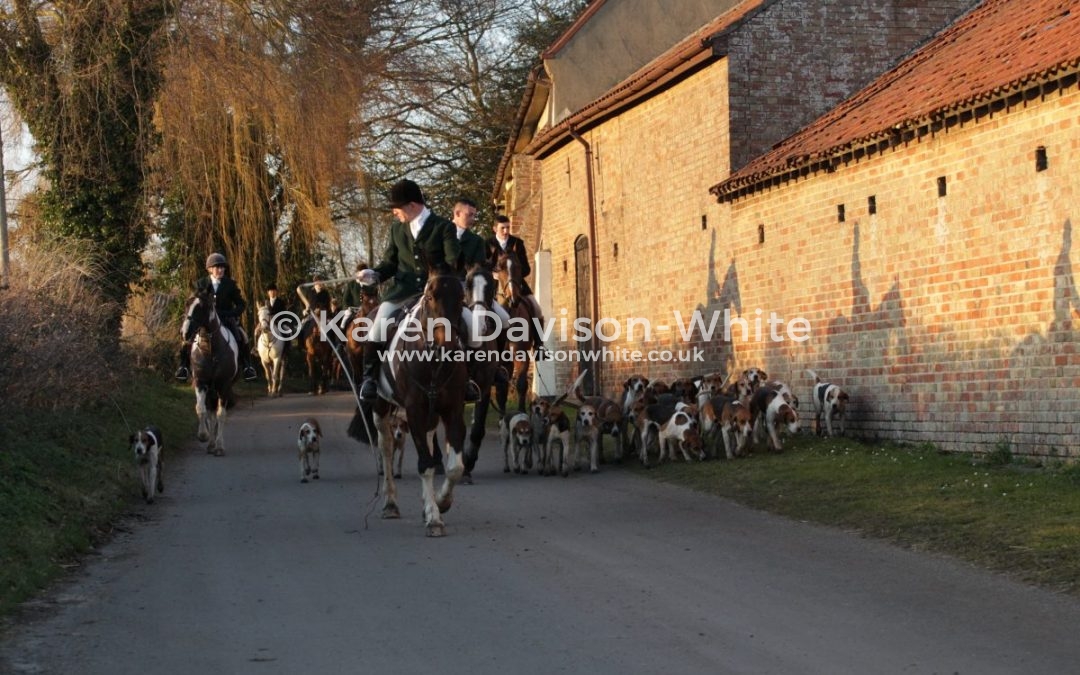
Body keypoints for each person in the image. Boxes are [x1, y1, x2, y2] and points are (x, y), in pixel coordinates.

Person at [356, 178, 463, 402]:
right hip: (402, 293)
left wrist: (438, 278)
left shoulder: (444, 227)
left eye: (397, 208)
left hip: (436, 294)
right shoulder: (397, 228)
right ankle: (370, 379)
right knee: (377, 327)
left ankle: (467, 379)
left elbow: (452, 262)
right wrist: (373, 274)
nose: (394, 213)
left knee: (469, 323)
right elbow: (390, 263)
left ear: (412, 206)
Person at [175, 252, 258, 382]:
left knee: (243, 337)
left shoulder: (230, 284)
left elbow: (241, 305)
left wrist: (229, 314)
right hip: (204, 320)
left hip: (226, 319)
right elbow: (193, 302)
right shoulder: (201, 284)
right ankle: (183, 367)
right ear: (209, 269)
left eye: (222, 267)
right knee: (187, 337)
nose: (221, 270)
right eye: (217, 267)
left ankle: (247, 366)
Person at [485, 215, 546, 351]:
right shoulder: (487, 244)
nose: (506, 231)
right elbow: (482, 266)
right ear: (495, 229)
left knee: (536, 308)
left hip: (517, 284)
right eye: (502, 228)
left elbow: (526, 268)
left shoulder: (517, 243)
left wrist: (515, 275)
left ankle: (539, 345)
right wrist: (493, 275)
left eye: (508, 227)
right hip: (494, 285)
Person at [296, 275, 333, 344]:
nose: (320, 284)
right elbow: (301, 295)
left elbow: (327, 305)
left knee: (333, 327)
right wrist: (304, 310)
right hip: (311, 315)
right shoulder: (309, 292)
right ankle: (301, 345)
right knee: (300, 327)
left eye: (321, 283)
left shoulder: (325, 293)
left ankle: (335, 345)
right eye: (318, 283)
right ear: (314, 283)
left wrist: (320, 309)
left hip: (323, 315)